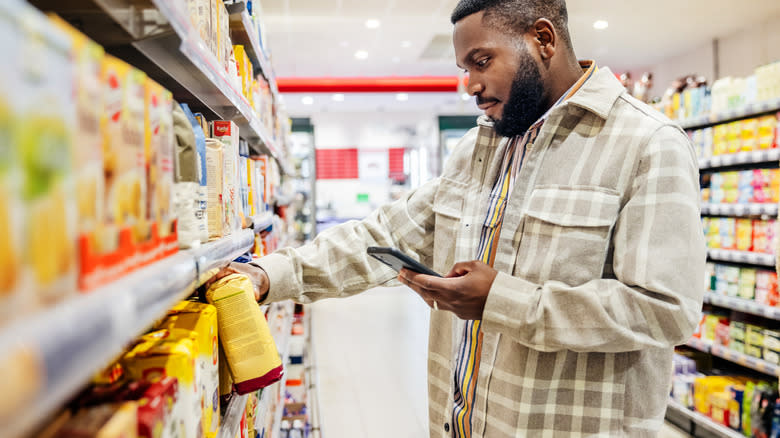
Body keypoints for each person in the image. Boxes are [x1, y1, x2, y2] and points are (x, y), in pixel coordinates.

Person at [217, 0, 705, 435]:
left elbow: (665, 309)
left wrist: (502, 300)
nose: (468, 84)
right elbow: (383, 235)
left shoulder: (648, 144)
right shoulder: (479, 147)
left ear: (543, 39)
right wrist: (267, 275)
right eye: (463, 67)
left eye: (481, 61)